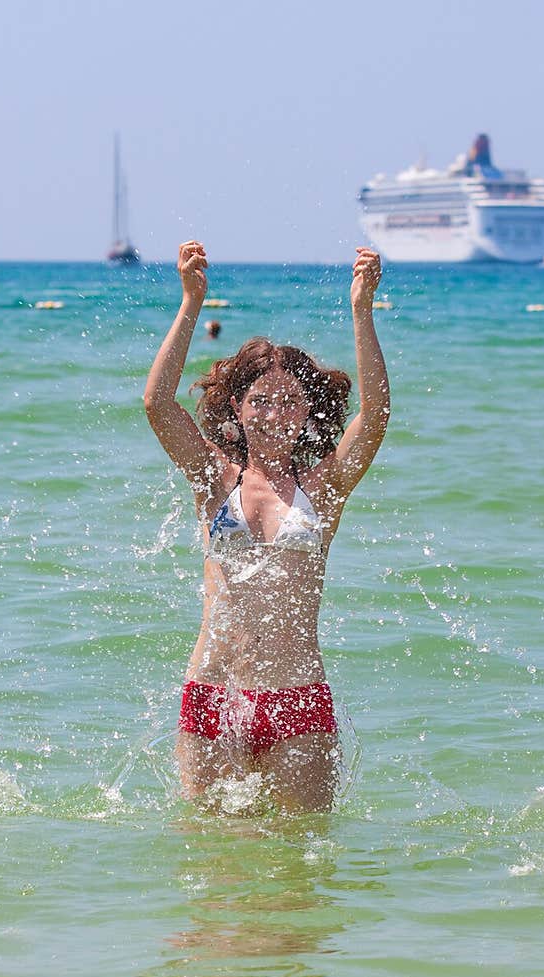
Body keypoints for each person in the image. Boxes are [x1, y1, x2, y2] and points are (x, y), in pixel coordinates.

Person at [144, 241, 389, 813]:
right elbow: (158, 404)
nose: (276, 414)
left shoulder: (324, 489)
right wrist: (190, 302)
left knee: (299, 875)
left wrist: (362, 310)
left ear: (308, 414)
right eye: (262, 401)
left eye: (290, 402)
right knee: (212, 871)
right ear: (237, 408)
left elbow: (375, 417)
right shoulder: (214, 478)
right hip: (214, 698)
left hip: (297, 702)